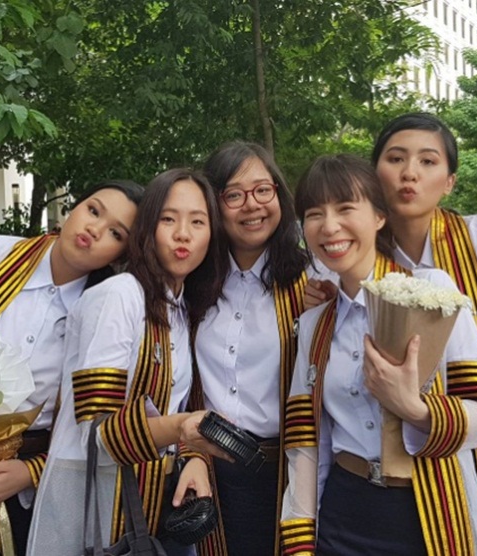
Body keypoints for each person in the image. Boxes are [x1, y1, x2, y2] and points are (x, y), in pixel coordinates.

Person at [280, 154, 477, 555]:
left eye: (346, 207)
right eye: (314, 214)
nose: (329, 226)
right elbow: (307, 446)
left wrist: (415, 409)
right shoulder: (314, 326)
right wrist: (299, 540)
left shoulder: (432, 292)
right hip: (343, 514)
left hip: (429, 511)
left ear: (379, 216)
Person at [0, 179, 145, 555]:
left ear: (121, 254)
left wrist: (30, 473)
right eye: (93, 210)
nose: (94, 229)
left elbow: (102, 422)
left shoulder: (107, 311)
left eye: (115, 233)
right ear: (73, 208)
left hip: (26, 482)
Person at [27, 169, 229, 556]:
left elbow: (172, 405)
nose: (182, 234)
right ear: (147, 228)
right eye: (168, 219)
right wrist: (181, 428)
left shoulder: (180, 307)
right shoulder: (120, 296)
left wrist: (192, 454)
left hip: (151, 502)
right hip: (98, 505)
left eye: (197, 222)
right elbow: (97, 431)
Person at [371, 113, 477, 554]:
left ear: (450, 181)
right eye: (395, 159)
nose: (410, 173)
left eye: (428, 161)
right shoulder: (365, 263)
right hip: (426, 446)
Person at [191, 142, 329, 556]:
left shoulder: (313, 280)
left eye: (262, 190)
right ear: (214, 205)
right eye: (233, 195)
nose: (251, 205)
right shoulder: (193, 284)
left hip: (283, 471)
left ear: (279, 195)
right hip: (204, 469)